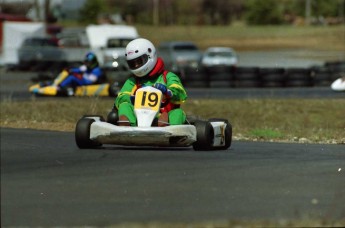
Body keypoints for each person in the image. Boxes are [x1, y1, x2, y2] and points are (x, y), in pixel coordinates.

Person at [113, 38, 187, 126]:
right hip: (138, 118)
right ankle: (127, 126)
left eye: (139, 61)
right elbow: (122, 96)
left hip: (163, 116)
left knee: (178, 113)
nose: (136, 66)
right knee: (124, 105)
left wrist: (168, 92)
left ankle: (167, 129)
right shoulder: (132, 81)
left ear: (150, 56)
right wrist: (132, 97)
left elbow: (180, 93)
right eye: (133, 63)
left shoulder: (167, 76)